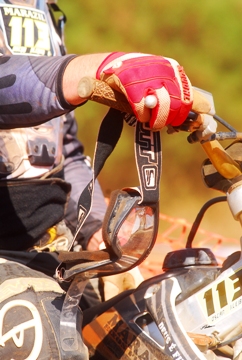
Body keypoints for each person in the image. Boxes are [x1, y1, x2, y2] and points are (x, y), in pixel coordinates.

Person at [0, 1, 212, 357]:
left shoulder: (43, 9)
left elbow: (61, 147)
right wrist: (96, 68)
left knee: (145, 332)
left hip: (49, 246)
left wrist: (96, 227)